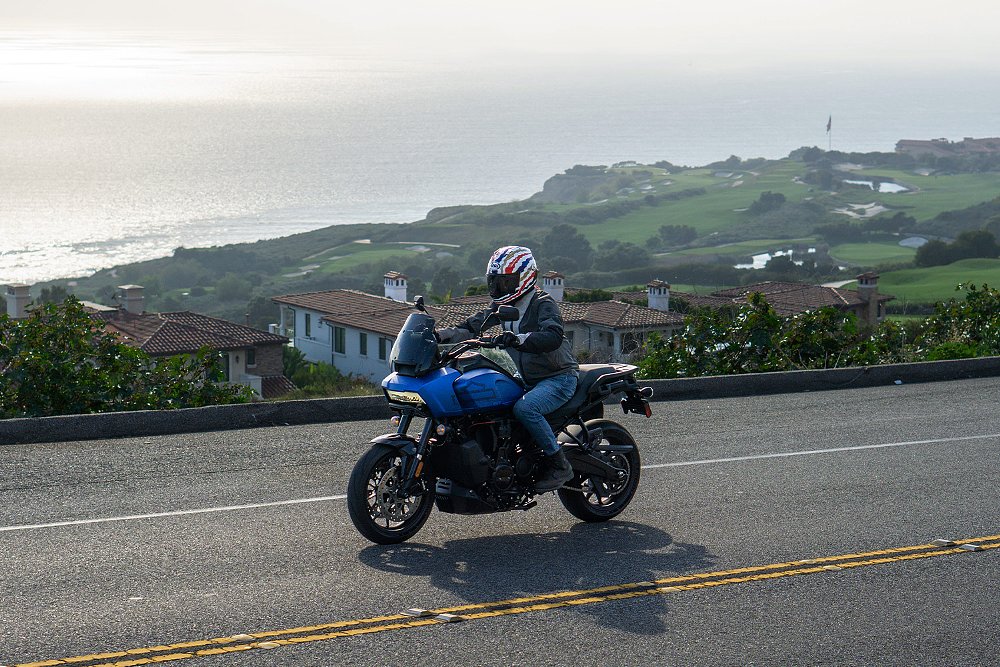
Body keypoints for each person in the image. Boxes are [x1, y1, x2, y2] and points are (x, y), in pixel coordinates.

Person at [436, 245, 579, 492]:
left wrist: (518, 339)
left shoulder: (543, 303)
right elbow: (471, 326)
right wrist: (437, 335)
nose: (500, 288)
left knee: (526, 408)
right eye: (496, 282)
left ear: (525, 278)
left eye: (506, 282)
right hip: (525, 378)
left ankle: (559, 464)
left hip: (558, 377)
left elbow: (553, 335)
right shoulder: (502, 306)